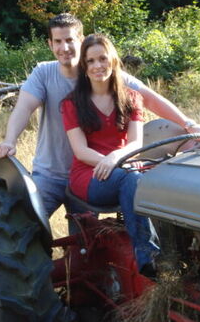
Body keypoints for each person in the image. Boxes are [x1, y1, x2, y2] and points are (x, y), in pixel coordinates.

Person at [0, 13, 200, 219]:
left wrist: (188, 124)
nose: (65, 47)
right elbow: (24, 107)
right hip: (51, 174)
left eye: (69, 40)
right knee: (27, 227)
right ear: (50, 44)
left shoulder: (100, 71)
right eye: (58, 41)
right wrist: (10, 140)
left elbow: (150, 99)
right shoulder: (43, 73)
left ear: (81, 39)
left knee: (84, 243)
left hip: (93, 172)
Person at [61, 33, 158, 273]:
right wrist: (112, 162)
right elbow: (81, 151)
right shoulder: (71, 103)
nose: (97, 66)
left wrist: (116, 158)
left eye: (102, 58)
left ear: (113, 61)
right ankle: (149, 259)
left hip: (122, 166)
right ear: (84, 66)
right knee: (131, 178)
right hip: (89, 175)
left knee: (155, 177)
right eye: (91, 61)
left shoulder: (132, 98)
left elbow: (136, 144)